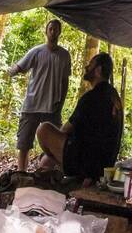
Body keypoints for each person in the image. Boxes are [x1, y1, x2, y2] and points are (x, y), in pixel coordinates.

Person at [36, 51, 123, 182]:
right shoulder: (114, 96)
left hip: (87, 165)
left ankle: (68, 176)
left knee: (44, 129)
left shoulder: (91, 97)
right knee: (48, 159)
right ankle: (54, 173)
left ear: (98, 70)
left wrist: (50, 151)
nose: (86, 68)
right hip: (104, 163)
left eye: (90, 65)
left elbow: (65, 130)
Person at [7, 18, 72, 173]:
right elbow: (20, 67)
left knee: (56, 143)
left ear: (60, 32)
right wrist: (12, 70)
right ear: (46, 31)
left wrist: (61, 103)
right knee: (24, 143)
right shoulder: (36, 51)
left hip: (52, 107)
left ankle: (48, 174)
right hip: (32, 105)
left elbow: (65, 82)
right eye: (51, 28)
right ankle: (21, 173)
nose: (53, 31)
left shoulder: (64, 55)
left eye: (56, 29)